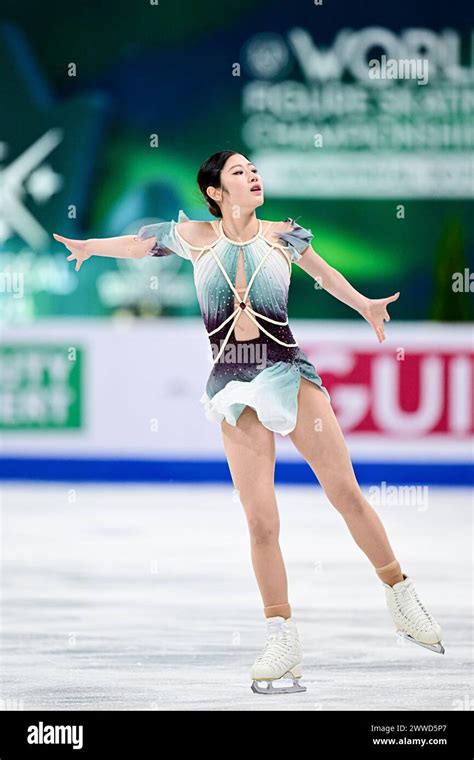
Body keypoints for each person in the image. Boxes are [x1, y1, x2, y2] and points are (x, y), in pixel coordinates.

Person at [52, 150, 445, 695]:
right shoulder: (192, 236)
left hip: (287, 374)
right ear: (215, 191)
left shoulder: (285, 233)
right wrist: (91, 247)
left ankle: (400, 594)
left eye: (253, 170)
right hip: (231, 387)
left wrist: (365, 305)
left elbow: (325, 276)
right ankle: (281, 636)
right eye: (239, 172)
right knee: (261, 521)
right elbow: (138, 245)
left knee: (346, 493)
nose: (252, 176)